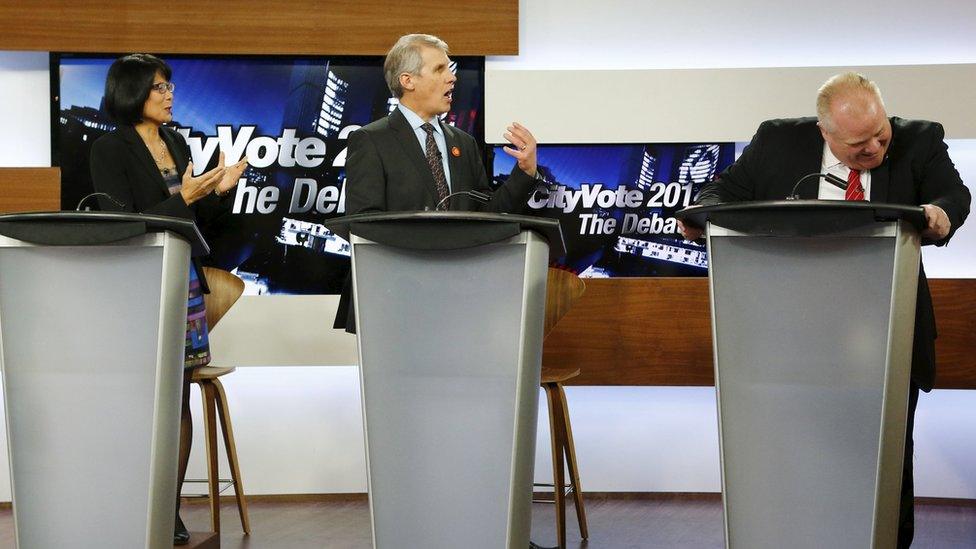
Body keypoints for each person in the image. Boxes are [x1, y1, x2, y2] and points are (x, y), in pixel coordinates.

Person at [679, 71, 971, 547]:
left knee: (884, 456)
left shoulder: (920, 139)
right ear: (825, 133)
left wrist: (940, 213)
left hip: (886, 335)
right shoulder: (777, 141)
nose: (875, 148)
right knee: (799, 454)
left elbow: (953, 196)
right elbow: (717, 195)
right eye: (858, 144)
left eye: (881, 134)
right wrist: (696, 218)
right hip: (792, 339)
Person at [89, 53, 247, 545]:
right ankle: (127, 505)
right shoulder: (108, 149)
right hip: (136, 286)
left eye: (170, 86)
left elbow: (199, 227)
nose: (169, 94)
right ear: (132, 92)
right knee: (139, 401)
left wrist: (220, 192)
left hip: (185, 285)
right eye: (159, 87)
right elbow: (124, 224)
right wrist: (188, 198)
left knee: (177, 400)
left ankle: (168, 508)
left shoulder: (177, 142)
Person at [335, 33, 544, 330]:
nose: (452, 78)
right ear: (408, 81)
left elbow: (487, 215)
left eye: (450, 69)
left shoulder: (465, 143)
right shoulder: (370, 140)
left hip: (460, 295)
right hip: (394, 299)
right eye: (439, 70)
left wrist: (524, 171)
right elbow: (363, 223)